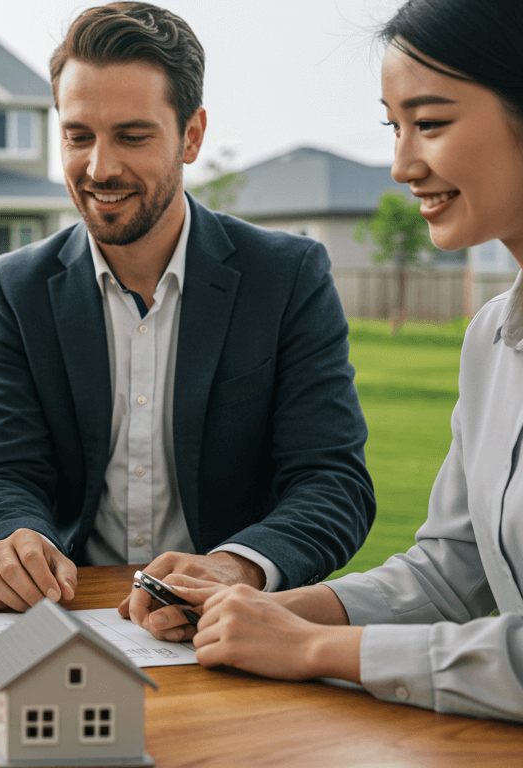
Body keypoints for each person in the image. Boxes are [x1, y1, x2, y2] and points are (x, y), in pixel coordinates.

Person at [130, 0, 523, 723]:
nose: (402, 166)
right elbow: (451, 571)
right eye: (394, 127)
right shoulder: (492, 339)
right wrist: (262, 609)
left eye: (431, 124)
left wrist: (316, 647)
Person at [0, 1, 375, 614]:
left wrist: (235, 566)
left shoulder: (287, 276)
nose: (100, 167)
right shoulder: (16, 287)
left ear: (192, 135)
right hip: (72, 616)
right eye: (78, 136)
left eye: (132, 136)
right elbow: (7, 472)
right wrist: (18, 538)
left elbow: (332, 481)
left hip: (231, 622)